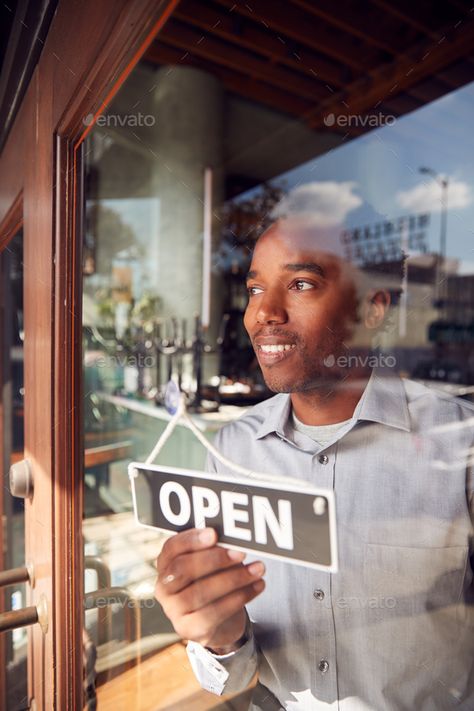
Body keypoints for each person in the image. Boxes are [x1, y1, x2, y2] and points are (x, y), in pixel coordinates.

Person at [155, 214, 474, 710]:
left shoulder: (460, 445)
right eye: (256, 288)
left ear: (371, 309)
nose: (263, 313)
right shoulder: (231, 450)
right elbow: (234, 675)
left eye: (301, 284)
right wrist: (219, 637)